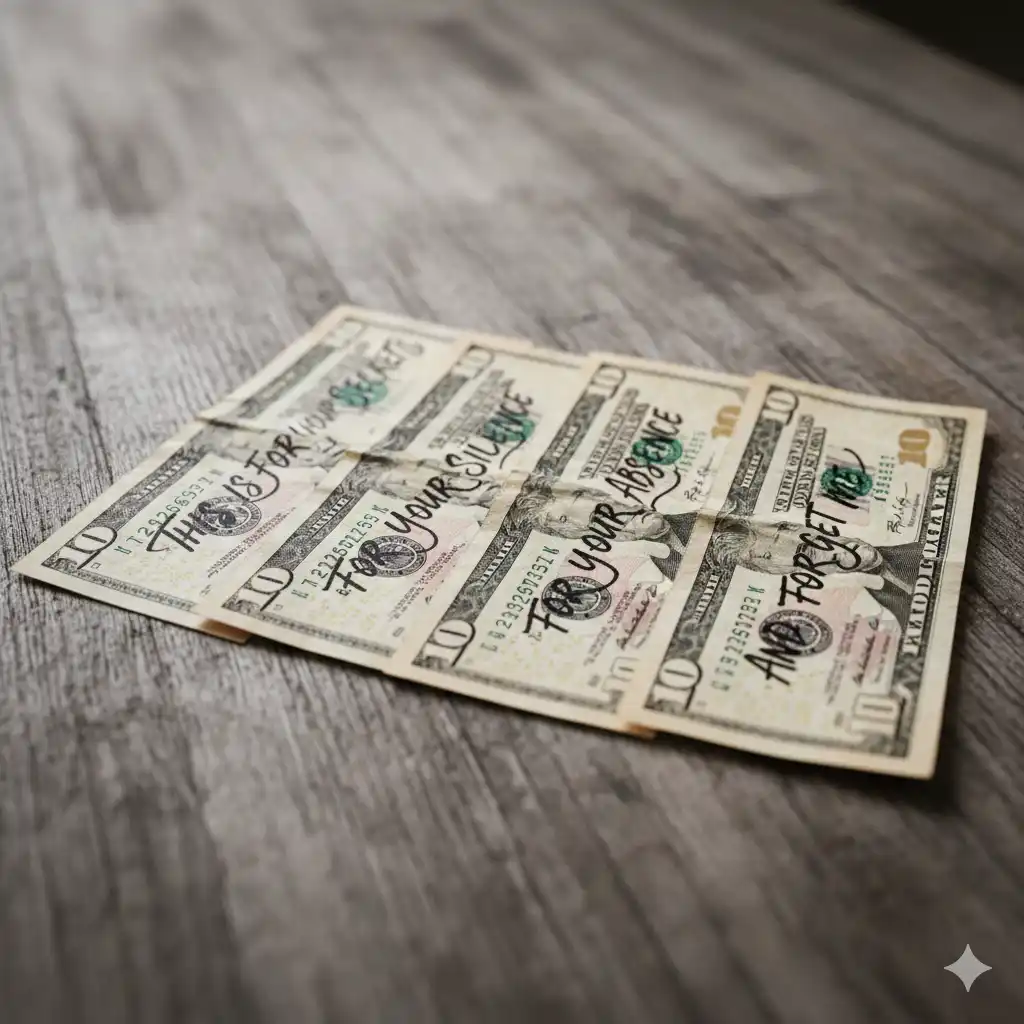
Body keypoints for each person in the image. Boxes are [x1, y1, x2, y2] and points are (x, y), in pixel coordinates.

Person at [708, 517, 923, 628]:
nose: (798, 541)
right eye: (769, 554)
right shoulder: (884, 617)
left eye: (785, 528)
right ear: (776, 572)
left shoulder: (922, 548)